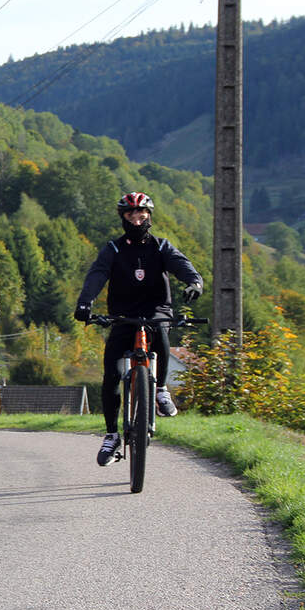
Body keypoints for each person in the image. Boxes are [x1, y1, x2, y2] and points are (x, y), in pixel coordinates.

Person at [74, 191, 203, 467]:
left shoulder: (161, 247)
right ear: (123, 217)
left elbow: (183, 266)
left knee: (160, 334)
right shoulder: (114, 249)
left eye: (141, 213)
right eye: (130, 213)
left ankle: (161, 390)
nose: (136, 217)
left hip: (156, 310)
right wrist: (85, 303)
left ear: (149, 216)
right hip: (123, 315)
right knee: (111, 374)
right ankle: (111, 435)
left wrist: (194, 283)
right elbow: (97, 275)